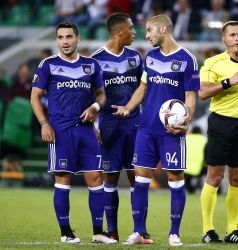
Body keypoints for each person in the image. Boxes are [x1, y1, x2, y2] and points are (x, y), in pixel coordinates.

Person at [112, 14, 200, 246]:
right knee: (140, 180)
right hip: (146, 129)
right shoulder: (149, 57)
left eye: (149, 30)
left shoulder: (187, 59)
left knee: (175, 179)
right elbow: (143, 88)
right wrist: (128, 108)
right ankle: (138, 232)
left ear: (163, 29)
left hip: (171, 132)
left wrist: (187, 121)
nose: (146, 35)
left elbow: (190, 97)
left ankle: (174, 233)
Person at [30, 21, 118, 244]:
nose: (64, 42)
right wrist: (44, 123)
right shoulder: (48, 64)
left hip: (86, 130)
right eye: (60, 38)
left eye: (69, 37)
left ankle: (98, 232)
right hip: (60, 130)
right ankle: (66, 232)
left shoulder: (91, 65)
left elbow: (101, 95)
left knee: (96, 178)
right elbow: (34, 96)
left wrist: (95, 108)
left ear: (77, 39)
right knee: (63, 179)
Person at [199, 20, 238, 243]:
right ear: (224, 40)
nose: (237, 38)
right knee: (215, 177)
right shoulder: (212, 63)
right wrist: (228, 82)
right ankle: (207, 230)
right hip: (220, 123)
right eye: (233, 35)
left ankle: (232, 231)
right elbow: (203, 93)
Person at [89, 13, 152, 243]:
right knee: (111, 179)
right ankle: (112, 230)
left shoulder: (136, 57)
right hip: (108, 126)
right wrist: (93, 126)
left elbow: (142, 90)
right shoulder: (95, 61)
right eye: (131, 28)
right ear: (118, 32)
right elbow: (91, 97)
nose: (135, 32)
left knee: (139, 178)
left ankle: (140, 230)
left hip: (136, 125)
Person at [184, 126, 207, 194]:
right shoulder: (204, 139)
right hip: (199, 163)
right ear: (200, 132)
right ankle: (198, 187)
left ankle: (188, 188)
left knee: (187, 176)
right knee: (201, 174)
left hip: (186, 163)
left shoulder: (186, 138)